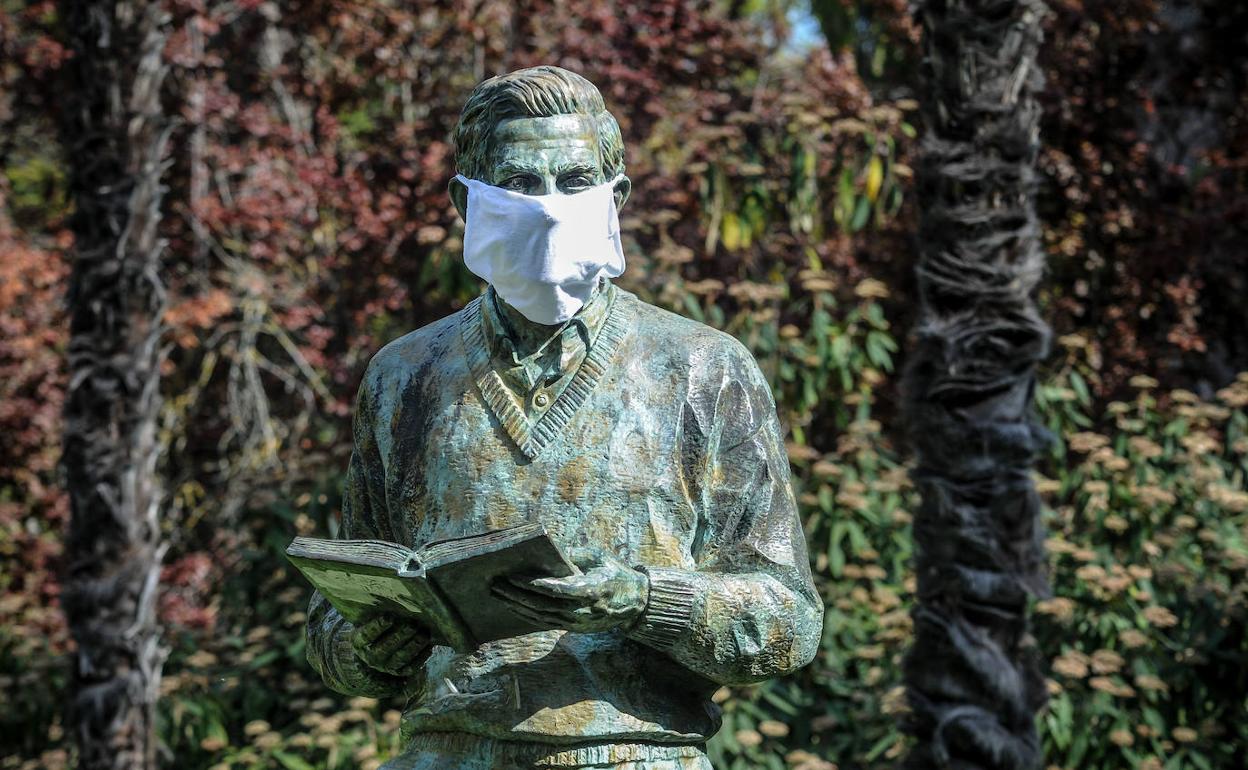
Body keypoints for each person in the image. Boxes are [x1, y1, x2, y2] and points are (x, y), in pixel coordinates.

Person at [305, 65, 822, 770]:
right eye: (519, 184)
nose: (550, 208)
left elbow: (788, 619)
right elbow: (340, 609)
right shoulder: (405, 376)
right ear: (467, 202)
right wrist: (366, 648)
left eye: (576, 181)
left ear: (616, 199)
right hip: (446, 753)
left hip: (640, 754)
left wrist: (643, 598)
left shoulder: (703, 367)